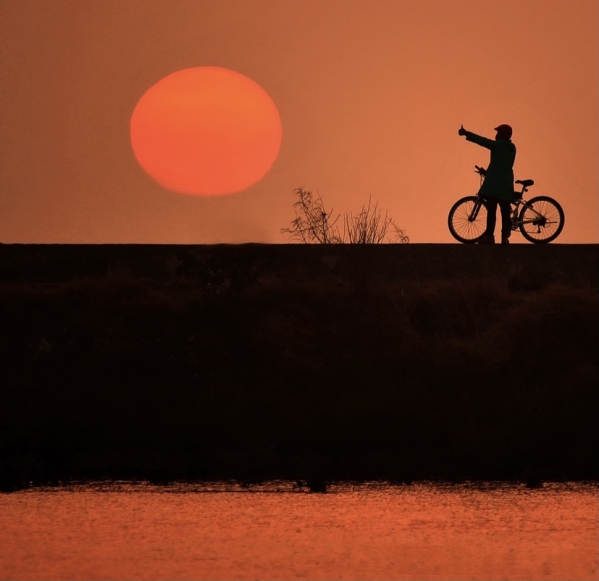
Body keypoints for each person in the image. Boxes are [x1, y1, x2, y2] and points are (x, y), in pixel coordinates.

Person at [458, 124, 516, 244]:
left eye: (498, 132)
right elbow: (501, 165)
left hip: (494, 185)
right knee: (505, 212)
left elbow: (482, 141)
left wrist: (467, 133)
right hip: (506, 184)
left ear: (503, 134)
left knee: (492, 212)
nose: (496, 135)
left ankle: (489, 237)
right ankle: (505, 237)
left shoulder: (498, 145)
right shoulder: (512, 148)